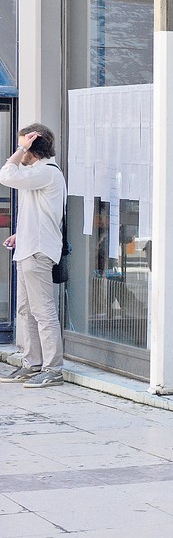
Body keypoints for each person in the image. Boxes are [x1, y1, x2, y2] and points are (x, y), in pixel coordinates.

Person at [0, 124, 67, 388]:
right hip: (27, 247)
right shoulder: (37, 174)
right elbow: (37, 212)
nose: (21, 153)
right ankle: (32, 364)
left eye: (25, 146)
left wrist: (20, 148)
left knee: (43, 312)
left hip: (38, 251)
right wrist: (19, 235)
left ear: (32, 147)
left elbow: (5, 175)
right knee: (25, 310)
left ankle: (53, 369)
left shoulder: (46, 173)